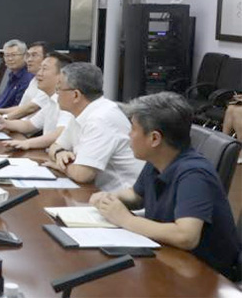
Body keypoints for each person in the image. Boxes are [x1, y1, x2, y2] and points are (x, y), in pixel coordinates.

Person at [90, 92, 241, 282]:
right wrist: (110, 198)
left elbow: (186, 236)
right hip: (170, 260)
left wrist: (125, 219)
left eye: (133, 129)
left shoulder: (194, 174)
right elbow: (136, 196)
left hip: (206, 276)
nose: (128, 135)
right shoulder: (158, 160)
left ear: (154, 139)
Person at [44, 62, 144, 192]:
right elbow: (55, 146)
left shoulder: (101, 119)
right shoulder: (82, 113)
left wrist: (61, 166)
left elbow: (83, 174)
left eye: (59, 89)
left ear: (76, 95)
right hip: (97, 192)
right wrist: (60, 153)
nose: (56, 94)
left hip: (123, 198)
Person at [0, 51, 74, 151]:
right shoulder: (51, 100)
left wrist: (27, 143)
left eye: (44, 69)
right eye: (40, 69)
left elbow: (60, 133)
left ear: (61, 76)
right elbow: (29, 125)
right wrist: (4, 122)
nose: (39, 73)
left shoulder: (67, 101)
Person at [0, 41, 50, 119]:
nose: (29, 59)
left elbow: (30, 109)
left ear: (47, 59)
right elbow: (21, 107)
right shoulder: (33, 80)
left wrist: (3, 118)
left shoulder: (34, 79)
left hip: (15, 122)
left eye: (34, 55)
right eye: (28, 55)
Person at [0, 39, 33, 109]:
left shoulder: (27, 79)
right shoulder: (13, 75)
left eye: (14, 55)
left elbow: (19, 108)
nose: (10, 59)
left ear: (25, 56)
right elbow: (2, 102)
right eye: (7, 55)